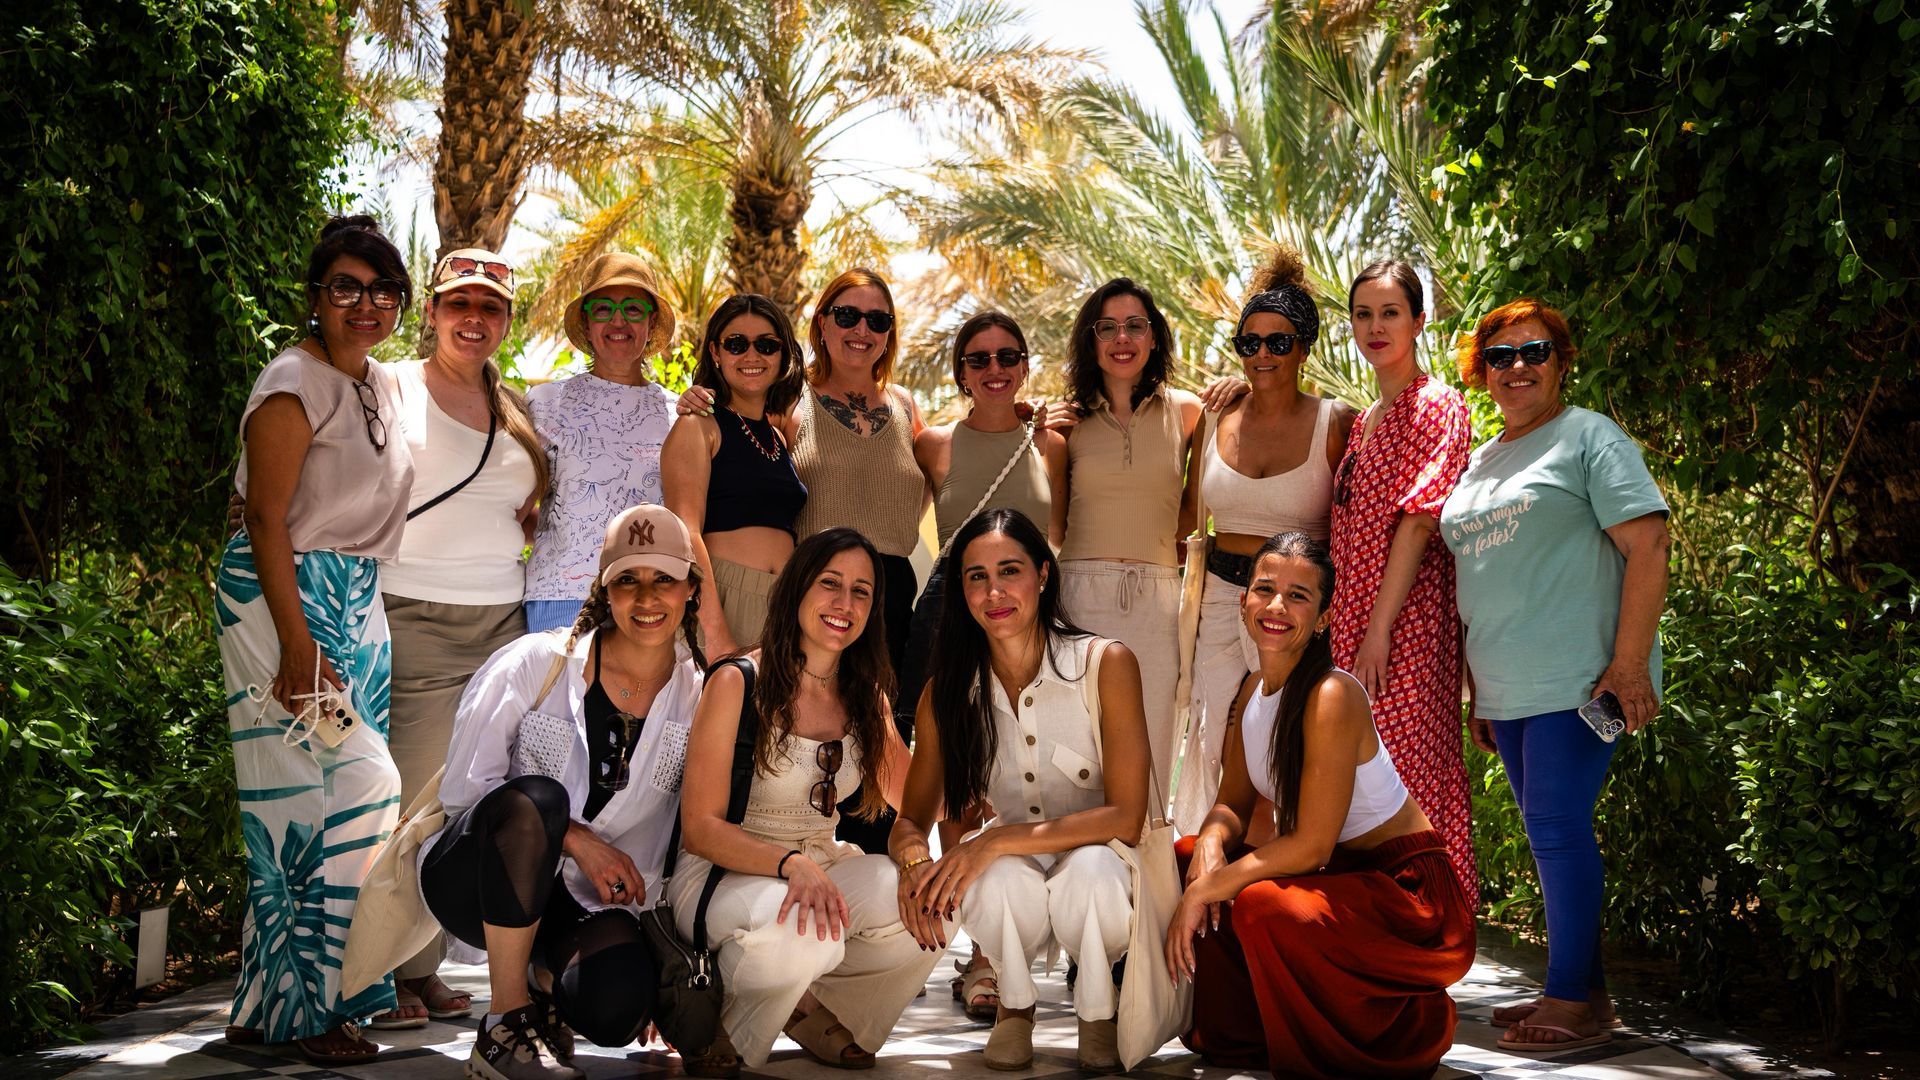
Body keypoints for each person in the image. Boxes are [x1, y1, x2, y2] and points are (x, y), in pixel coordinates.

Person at [1440, 299, 1670, 1053]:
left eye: (1533, 350)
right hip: (1508, 686)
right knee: (1550, 835)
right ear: (1483, 371)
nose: (1517, 367)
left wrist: (1629, 664)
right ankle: (1583, 994)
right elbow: (1486, 573)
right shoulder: (1482, 459)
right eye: (1501, 356)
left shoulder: (1589, 438)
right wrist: (1480, 689)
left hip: (1581, 680)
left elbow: (1649, 545)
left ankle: (1570, 996)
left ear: (1561, 359)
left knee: (1557, 827)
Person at [215, 215, 415, 1065]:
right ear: (315, 297)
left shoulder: (383, 382)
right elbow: (265, 516)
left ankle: (275, 1010)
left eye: (380, 291)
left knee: (329, 797)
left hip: (355, 595)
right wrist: (297, 642)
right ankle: (310, 1009)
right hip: (283, 592)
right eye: (345, 287)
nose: (363, 304)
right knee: (338, 791)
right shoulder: (292, 380)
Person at [1168, 532, 1475, 1077]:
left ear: (1325, 617)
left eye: (1299, 596)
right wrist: (1213, 844)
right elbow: (1232, 805)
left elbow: (1310, 846)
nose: (1277, 606)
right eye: (1265, 589)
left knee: (1258, 900)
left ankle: (1399, 1030)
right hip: (1345, 880)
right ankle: (1247, 1034)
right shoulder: (1250, 692)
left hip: (1408, 897)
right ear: (1243, 602)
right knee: (1185, 854)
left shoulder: (1333, 694)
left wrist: (1214, 886)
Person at [423, 505, 708, 1080]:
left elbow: (687, 831)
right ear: (604, 590)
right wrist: (575, 839)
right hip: (476, 878)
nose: (647, 598)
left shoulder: (699, 694)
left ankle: (542, 988)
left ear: (690, 590)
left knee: (616, 1011)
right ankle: (503, 1024)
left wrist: (660, 948)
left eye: (664, 580)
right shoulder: (537, 663)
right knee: (540, 802)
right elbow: (464, 792)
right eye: (627, 580)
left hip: (583, 902)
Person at [890, 508, 1153, 1073]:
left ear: (1043, 575)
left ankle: (1097, 1014)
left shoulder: (1104, 664)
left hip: (1104, 869)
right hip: (1018, 880)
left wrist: (997, 838)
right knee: (994, 874)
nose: (994, 592)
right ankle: (1014, 1008)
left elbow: (1128, 819)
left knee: (1086, 872)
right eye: (976, 576)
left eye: (1010, 571)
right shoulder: (949, 692)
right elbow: (911, 821)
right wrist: (914, 864)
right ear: (960, 591)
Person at [673, 528, 935, 1076]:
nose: (845, 604)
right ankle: (722, 1025)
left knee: (934, 901)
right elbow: (699, 828)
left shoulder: (865, 697)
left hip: (818, 866)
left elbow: (917, 801)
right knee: (807, 927)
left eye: (861, 591)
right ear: (797, 590)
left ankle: (812, 1006)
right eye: (830, 584)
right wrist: (790, 864)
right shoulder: (737, 681)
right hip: (724, 874)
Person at [373, 249, 545, 1027]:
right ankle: (392, 972)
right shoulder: (388, 385)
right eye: (457, 304)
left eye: (491, 308)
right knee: (414, 801)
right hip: (416, 615)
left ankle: (425, 960)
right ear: (432, 311)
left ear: (507, 320)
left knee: (469, 800)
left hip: (501, 624)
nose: (473, 319)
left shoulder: (514, 409)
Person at [900, 311, 1070, 1020]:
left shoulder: (1054, 445)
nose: (993, 368)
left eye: (1007, 355)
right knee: (964, 783)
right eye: (977, 359)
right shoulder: (933, 445)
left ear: (1025, 365)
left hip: (1033, 635)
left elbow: (1054, 543)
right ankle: (981, 955)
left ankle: (1030, 935)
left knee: (1027, 775)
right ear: (960, 371)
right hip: (957, 628)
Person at [1171, 247, 1354, 832]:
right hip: (1223, 601)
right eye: (1249, 344)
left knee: (1285, 740)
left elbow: (1358, 526)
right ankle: (1212, 878)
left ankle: (1278, 880)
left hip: (1296, 605)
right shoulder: (1215, 416)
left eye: (1279, 342)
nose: (1263, 355)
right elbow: (1181, 520)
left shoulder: (1336, 422)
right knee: (1216, 736)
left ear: (1304, 347)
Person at [1326, 259, 1476, 898]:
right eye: (1364, 314)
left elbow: (1418, 524)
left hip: (1405, 625)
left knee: (1409, 772)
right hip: (1354, 628)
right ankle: (1376, 934)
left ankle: (1433, 924)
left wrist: (1380, 630)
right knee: (1361, 779)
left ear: (1419, 321)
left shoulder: (1436, 405)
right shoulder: (1365, 421)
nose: (1376, 326)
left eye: (1390, 312)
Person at [1055, 279, 1203, 805]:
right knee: (1076, 750)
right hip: (1078, 598)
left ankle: (1153, 879)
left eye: (1135, 326)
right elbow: (1052, 525)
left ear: (1155, 337)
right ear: (1091, 341)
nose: (1123, 338)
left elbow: (1195, 505)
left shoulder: (1189, 413)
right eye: (1108, 327)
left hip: (1158, 597)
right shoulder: (1065, 423)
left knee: (1154, 741)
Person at [523, 253, 679, 632]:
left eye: (633, 308)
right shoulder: (545, 403)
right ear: (587, 322)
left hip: (651, 601)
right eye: (604, 308)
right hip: (562, 594)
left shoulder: (678, 414)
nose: (619, 321)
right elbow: (518, 504)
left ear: (651, 320)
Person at [661, 294, 808, 655]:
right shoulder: (699, 426)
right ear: (715, 352)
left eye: (767, 345)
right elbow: (685, 532)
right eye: (736, 344)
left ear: (783, 354)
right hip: (725, 599)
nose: (752, 356)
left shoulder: (775, 436)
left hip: (785, 604)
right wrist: (715, 634)